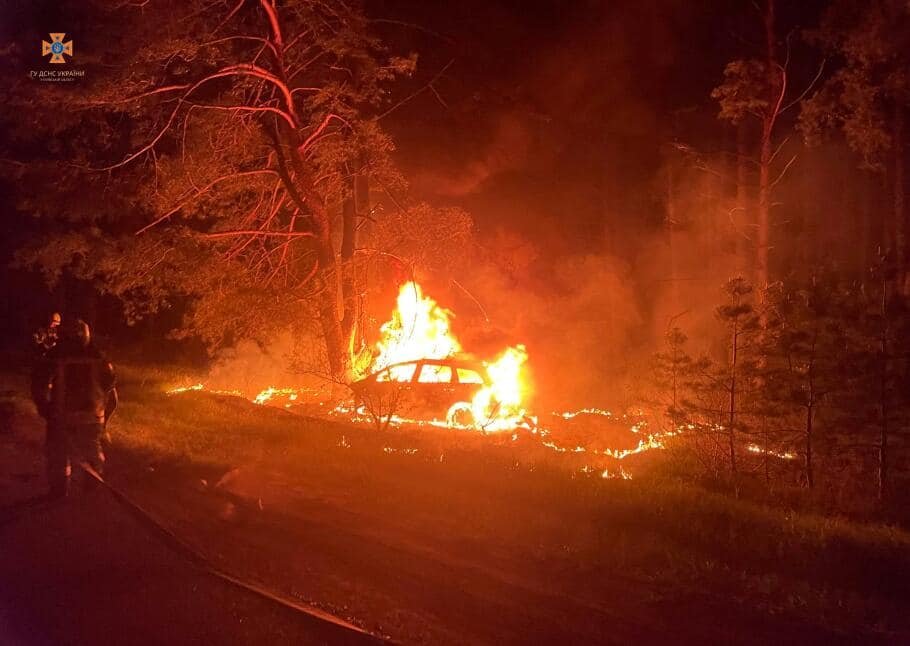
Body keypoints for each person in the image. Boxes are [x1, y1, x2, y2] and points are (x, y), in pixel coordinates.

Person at [32, 319, 117, 497]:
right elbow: (110, 389)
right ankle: (91, 489)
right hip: (91, 417)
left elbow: (39, 385)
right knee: (91, 453)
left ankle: (59, 490)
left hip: (61, 417)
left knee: (59, 454)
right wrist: (103, 420)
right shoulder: (99, 357)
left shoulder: (54, 356)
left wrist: (45, 409)